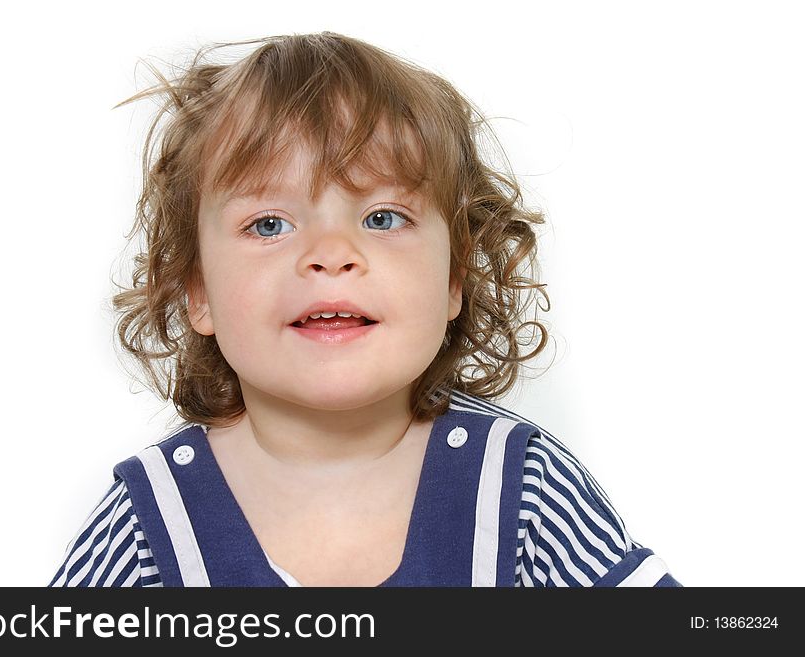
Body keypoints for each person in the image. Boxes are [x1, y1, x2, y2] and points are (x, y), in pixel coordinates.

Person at [49, 31, 682, 587]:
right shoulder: (151, 522)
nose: (331, 253)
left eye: (383, 218)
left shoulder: (518, 488)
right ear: (198, 293)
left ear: (455, 280)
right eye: (269, 224)